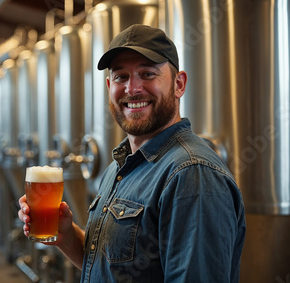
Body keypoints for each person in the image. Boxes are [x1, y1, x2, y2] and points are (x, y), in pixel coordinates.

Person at [18, 24, 246, 282]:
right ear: (109, 86)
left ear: (178, 84)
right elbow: (110, 269)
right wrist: (67, 236)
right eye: (121, 77)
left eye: (147, 74)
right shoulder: (119, 166)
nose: (132, 89)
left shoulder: (191, 173)